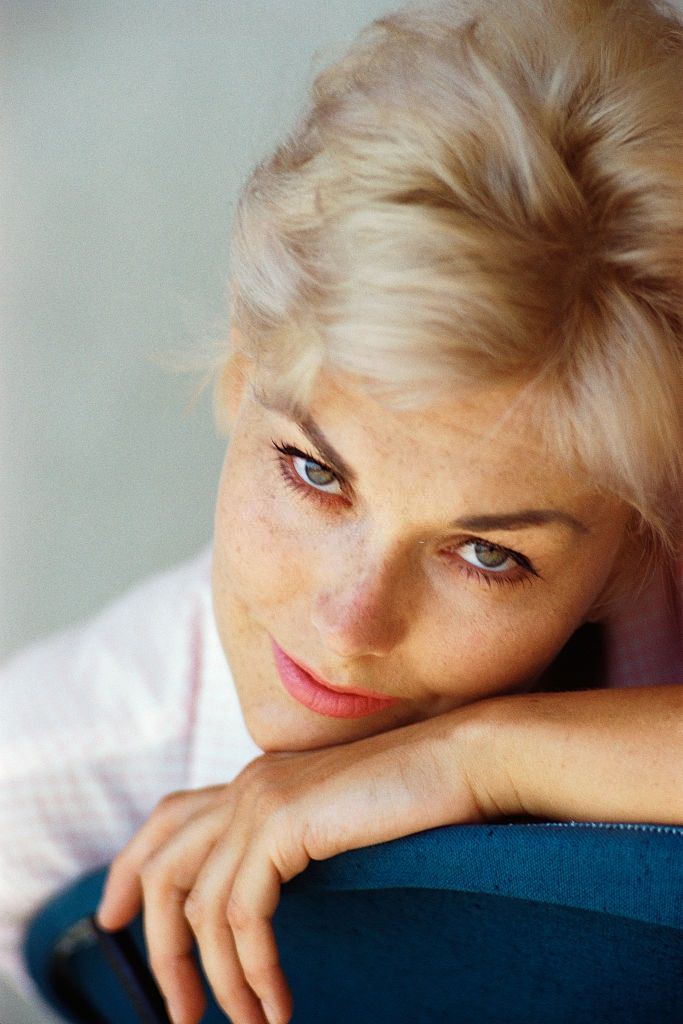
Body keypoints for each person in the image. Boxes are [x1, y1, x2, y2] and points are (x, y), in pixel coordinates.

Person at [1, 0, 681, 1023]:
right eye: (314, 474)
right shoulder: (47, 783)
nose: (349, 623)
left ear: (641, 532)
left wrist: (477, 759)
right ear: (240, 368)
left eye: (486, 553)